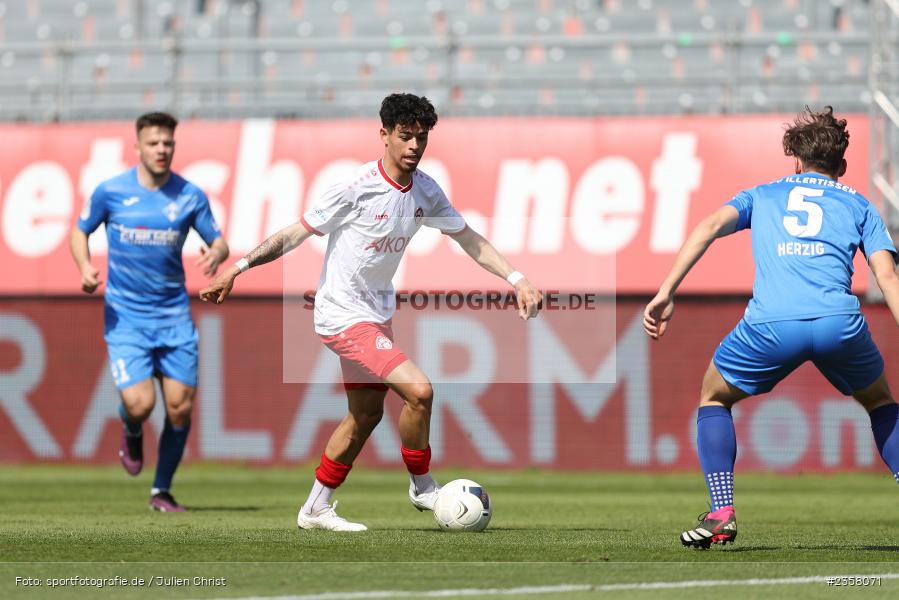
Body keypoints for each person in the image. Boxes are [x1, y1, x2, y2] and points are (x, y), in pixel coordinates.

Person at [200, 93, 542, 531]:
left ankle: (315, 509)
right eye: (405, 136)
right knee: (419, 391)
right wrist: (238, 268)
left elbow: (469, 238)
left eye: (421, 138)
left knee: (365, 415)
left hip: (375, 314)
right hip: (341, 315)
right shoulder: (355, 188)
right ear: (383, 134)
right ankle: (422, 486)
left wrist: (516, 278)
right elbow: (295, 234)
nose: (414, 146)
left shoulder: (426, 191)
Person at [644, 106, 899, 548]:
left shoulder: (761, 194)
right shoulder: (860, 204)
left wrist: (667, 290)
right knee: (879, 401)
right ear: (840, 166)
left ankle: (722, 513)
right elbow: (888, 277)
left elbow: (707, 227)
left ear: (795, 161)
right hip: (838, 321)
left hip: (770, 324)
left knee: (714, 396)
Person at [70, 112, 229, 512]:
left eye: (168, 143)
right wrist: (85, 267)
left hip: (174, 316)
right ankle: (132, 427)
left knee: (180, 407)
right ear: (137, 146)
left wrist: (217, 253)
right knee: (141, 405)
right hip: (127, 317)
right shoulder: (111, 191)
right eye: (154, 143)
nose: (162, 150)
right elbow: (80, 230)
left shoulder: (190, 195)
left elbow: (220, 241)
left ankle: (161, 490)